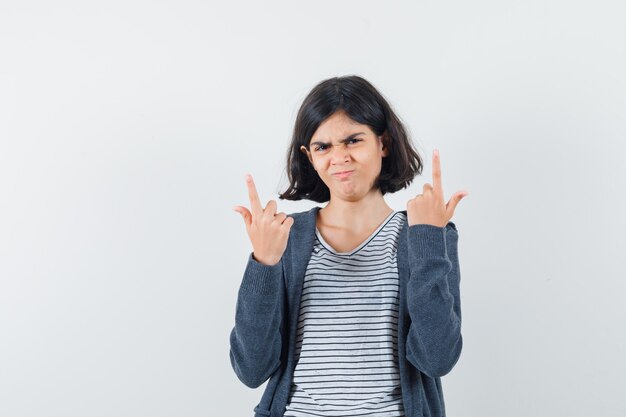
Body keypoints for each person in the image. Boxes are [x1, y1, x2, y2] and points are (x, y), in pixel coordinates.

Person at [230, 75, 469, 417]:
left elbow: (437, 357)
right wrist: (263, 264)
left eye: (353, 140)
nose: (339, 157)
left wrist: (429, 240)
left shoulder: (424, 233)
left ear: (382, 144)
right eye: (322, 146)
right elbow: (251, 369)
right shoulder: (285, 236)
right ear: (309, 156)